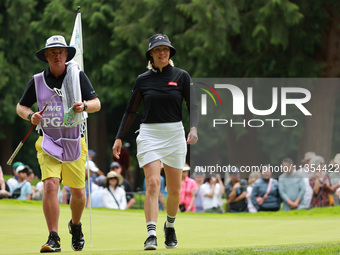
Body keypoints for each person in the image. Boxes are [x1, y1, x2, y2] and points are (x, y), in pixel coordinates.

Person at [112, 33, 199, 250]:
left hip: (175, 134)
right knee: (152, 183)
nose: (162, 52)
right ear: (151, 53)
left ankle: (169, 226)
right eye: (158, 49)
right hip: (150, 133)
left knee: (174, 189)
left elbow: (193, 106)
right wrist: (119, 136)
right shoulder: (143, 80)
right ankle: (151, 233)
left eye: (166, 49)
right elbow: (131, 110)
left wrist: (194, 128)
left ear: (170, 53)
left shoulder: (182, 76)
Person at [16, 35, 101, 252]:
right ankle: (53, 237)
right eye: (52, 52)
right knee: (51, 184)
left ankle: (75, 226)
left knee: (78, 192)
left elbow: (96, 103)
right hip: (48, 140)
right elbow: (21, 107)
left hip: (74, 140)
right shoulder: (36, 80)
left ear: (66, 55)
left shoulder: (77, 76)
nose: (57, 56)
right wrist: (30, 116)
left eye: (61, 52)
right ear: (46, 56)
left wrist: (84, 105)